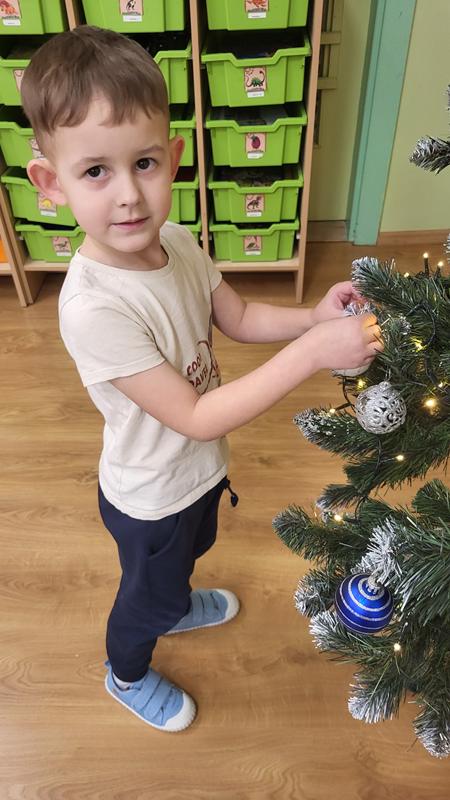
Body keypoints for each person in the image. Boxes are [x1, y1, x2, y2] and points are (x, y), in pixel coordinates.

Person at [20, 26, 383, 733]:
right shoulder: (94, 307)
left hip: (198, 473)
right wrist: (314, 352)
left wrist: (311, 318)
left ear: (174, 158)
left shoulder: (180, 243)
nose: (129, 195)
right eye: (95, 172)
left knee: (191, 556)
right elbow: (193, 414)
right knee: (144, 599)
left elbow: (239, 316)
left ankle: (177, 602)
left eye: (144, 162)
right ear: (52, 184)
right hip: (150, 497)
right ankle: (126, 671)